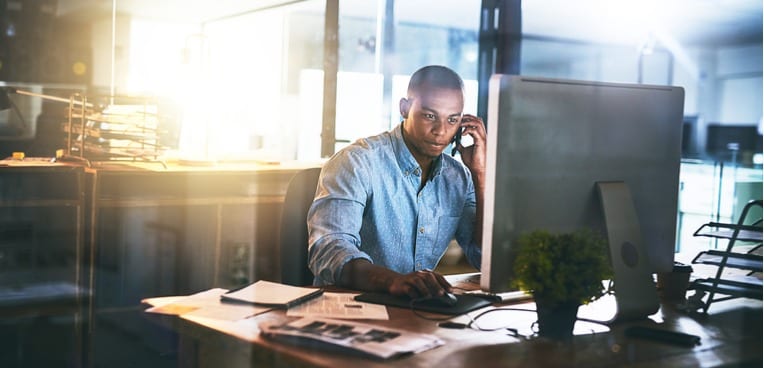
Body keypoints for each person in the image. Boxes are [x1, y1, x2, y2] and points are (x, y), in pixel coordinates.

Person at [307, 65, 486, 299]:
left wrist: (481, 175)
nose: (440, 131)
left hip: (415, 313)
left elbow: (483, 258)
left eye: (452, 120)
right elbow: (329, 249)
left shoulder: (459, 177)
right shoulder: (358, 162)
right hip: (350, 308)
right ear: (405, 108)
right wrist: (394, 282)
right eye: (429, 116)